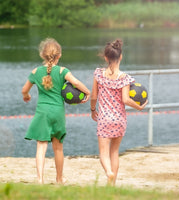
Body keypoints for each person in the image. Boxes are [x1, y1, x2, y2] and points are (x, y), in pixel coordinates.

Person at [22, 38, 90, 184]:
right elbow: (76, 83)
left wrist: (26, 96)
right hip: (57, 113)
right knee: (58, 148)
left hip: (43, 112)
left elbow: (24, 90)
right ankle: (59, 178)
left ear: (42, 55)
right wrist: (87, 92)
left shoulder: (35, 72)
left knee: (41, 146)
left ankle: (40, 179)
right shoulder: (62, 71)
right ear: (59, 56)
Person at [90, 39, 147, 185]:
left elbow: (94, 96)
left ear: (105, 57)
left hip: (104, 119)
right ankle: (112, 184)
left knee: (104, 152)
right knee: (114, 152)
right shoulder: (124, 78)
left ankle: (108, 173)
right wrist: (139, 107)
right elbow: (126, 100)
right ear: (121, 57)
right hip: (119, 120)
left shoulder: (98, 74)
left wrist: (92, 110)